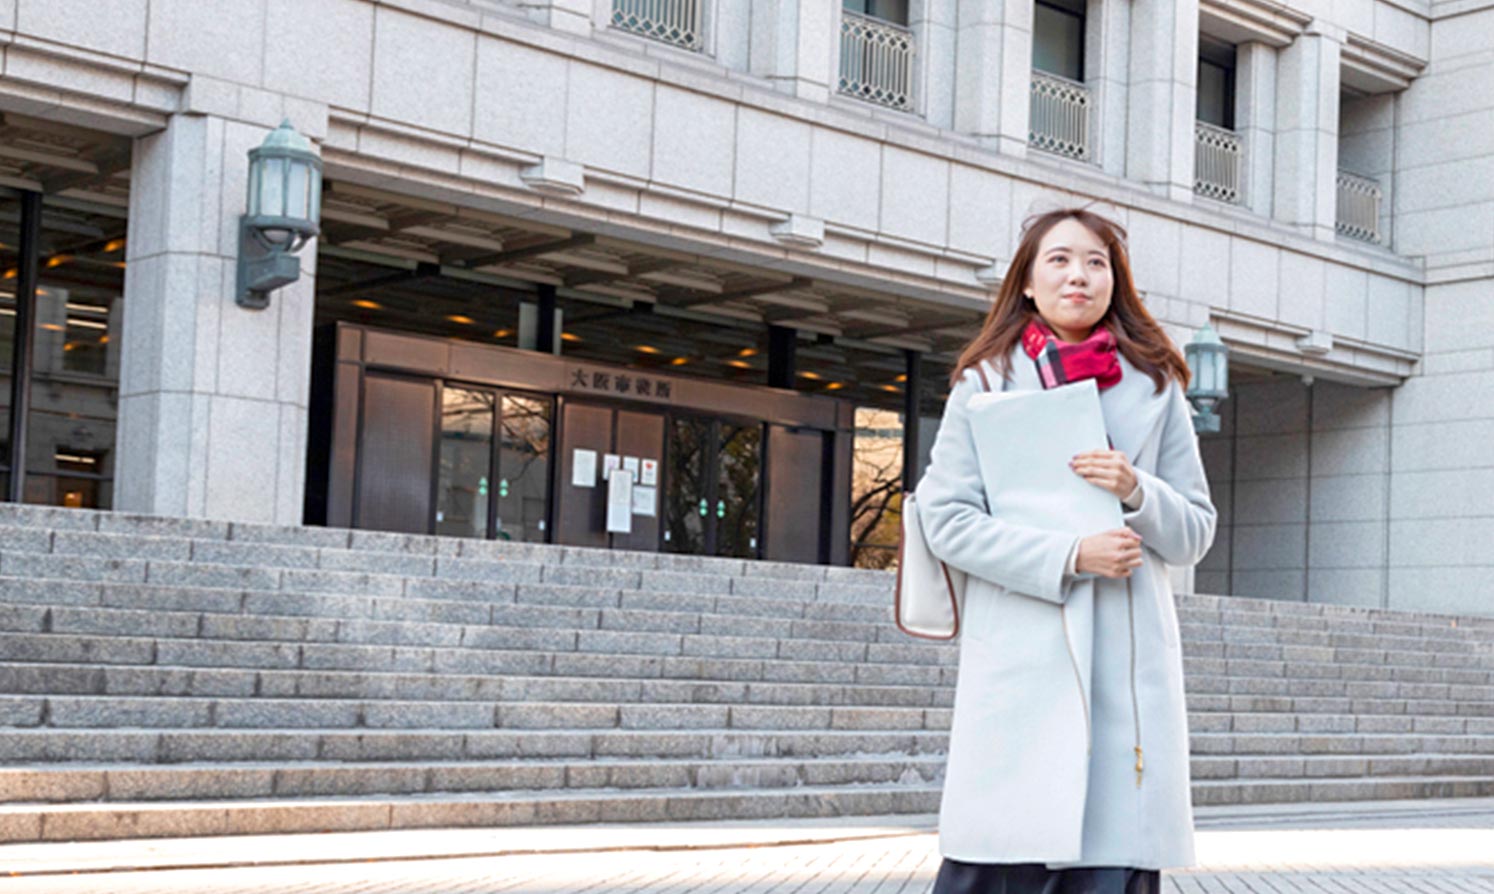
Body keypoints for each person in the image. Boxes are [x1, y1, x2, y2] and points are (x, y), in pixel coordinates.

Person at [918, 207, 1218, 894]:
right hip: (1023, 658)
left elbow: (1197, 528)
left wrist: (1137, 489)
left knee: (1109, 861)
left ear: (1116, 280)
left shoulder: (1158, 386)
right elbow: (946, 519)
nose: (1077, 275)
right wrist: (1068, 557)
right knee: (1002, 855)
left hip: (1125, 670)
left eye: (1095, 261)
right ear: (1026, 280)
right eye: (1058, 259)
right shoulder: (985, 383)